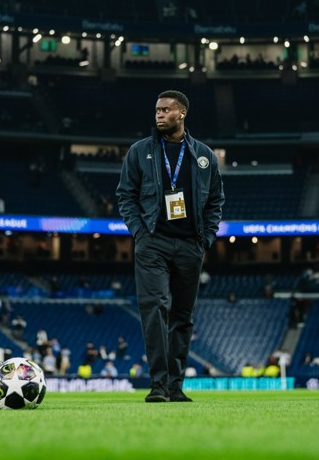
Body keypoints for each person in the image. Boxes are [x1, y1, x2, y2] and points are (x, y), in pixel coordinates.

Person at [117, 90, 224, 403]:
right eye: (157, 110)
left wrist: (206, 238)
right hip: (153, 243)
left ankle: (176, 387)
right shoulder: (139, 152)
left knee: (182, 316)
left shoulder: (203, 155)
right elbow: (125, 196)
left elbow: (216, 200)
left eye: (166, 110)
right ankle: (159, 385)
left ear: (182, 114)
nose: (159, 115)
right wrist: (140, 233)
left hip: (191, 245)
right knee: (155, 308)